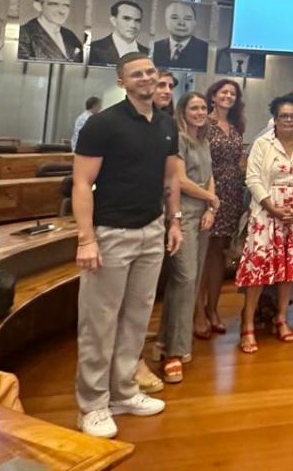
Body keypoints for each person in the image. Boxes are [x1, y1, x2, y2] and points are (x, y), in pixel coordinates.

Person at [72, 52, 182, 439]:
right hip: (110, 232)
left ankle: (124, 391)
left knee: (137, 318)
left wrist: (174, 222)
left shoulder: (168, 124)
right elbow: (82, 184)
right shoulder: (103, 124)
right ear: (122, 82)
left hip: (152, 229)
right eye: (137, 74)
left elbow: (170, 179)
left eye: (151, 72)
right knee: (99, 322)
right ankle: (93, 405)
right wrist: (86, 239)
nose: (146, 78)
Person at [237, 95, 293, 352]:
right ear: (275, 117)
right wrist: (272, 206)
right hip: (266, 213)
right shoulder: (263, 144)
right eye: (284, 115)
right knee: (258, 271)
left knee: (289, 271)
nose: (289, 120)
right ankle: (247, 324)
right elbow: (252, 179)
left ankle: (281, 318)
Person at [156, 92, 218, 384]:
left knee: (186, 283)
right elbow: (178, 180)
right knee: (185, 278)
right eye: (194, 107)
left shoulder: (203, 141)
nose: (199, 112)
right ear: (182, 111)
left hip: (202, 216)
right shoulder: (178, 138)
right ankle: (175, 353)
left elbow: (209, 177)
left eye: (203, 108)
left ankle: (164, 341)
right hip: (182, 216)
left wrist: (211, 206)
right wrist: (211, 199)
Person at [194, 79, 245, 339]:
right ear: (213, 96)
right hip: (207, 191)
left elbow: (239, 160)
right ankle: (197, 312)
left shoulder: (235, 125)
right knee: (202, 253)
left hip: (232, 193)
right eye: (223, 92)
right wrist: (208, 197)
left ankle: (212, 309)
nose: (228, 96)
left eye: (232, 93)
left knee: (219, 253)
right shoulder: (203, 122)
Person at [18, 0, 84, 62]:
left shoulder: (70, 36)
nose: (62, 11)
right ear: (38, 6)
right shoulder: (24, 34)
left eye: (66, 5)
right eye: (54, 4)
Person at [151, 2, 210, 72]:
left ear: (195, 23)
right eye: (175, 18)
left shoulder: (205, 50)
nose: (181, 23)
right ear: (166, 20)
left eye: (187, 19)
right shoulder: (155, 47)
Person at [89, 1, 149, 67]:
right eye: (126, 18)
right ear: (113, 21)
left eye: (137, 20)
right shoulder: (93, 49)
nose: (133, 25)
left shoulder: (148, 53)